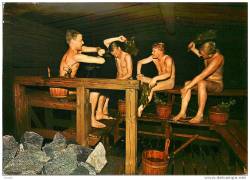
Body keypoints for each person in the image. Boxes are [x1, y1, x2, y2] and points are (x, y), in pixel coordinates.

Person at [59, 29, 110, 128]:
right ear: (73, 41)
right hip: (64, 89)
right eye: (80, 40)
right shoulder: (75, 56)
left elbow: (86, 48)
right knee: (94, 91)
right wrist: (102, 55)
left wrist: (98, 49)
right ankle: (91, 120)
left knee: (95, 86)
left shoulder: (75, 50)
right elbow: (101, 61)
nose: (83, 42)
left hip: (68, 85)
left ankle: (98, 114)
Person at [173, 38, 224, 124]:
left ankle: (199, 115)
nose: (201, 56)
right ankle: (182, 113)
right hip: (204, 84)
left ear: (211, 55)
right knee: (187, 83)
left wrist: (186, 88)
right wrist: (193, 48)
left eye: (203, 55)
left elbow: (202, 76)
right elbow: (202, 55)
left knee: (200, 83)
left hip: (217, 85)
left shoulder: (218, 59)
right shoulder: (208, 53)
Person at [137, 42, 175, 117]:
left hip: (169, 82)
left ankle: (140, 108)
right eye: (152, 51)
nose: (152, 52)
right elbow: (140, 62)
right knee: (140, 78)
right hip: (158, 80)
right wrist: (139, 74)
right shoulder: (153, 57)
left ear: (160, 51)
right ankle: (136, 102)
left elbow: (168, 74)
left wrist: (155, 78)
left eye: (154, 51)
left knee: (150, 88)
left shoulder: (168, 59)